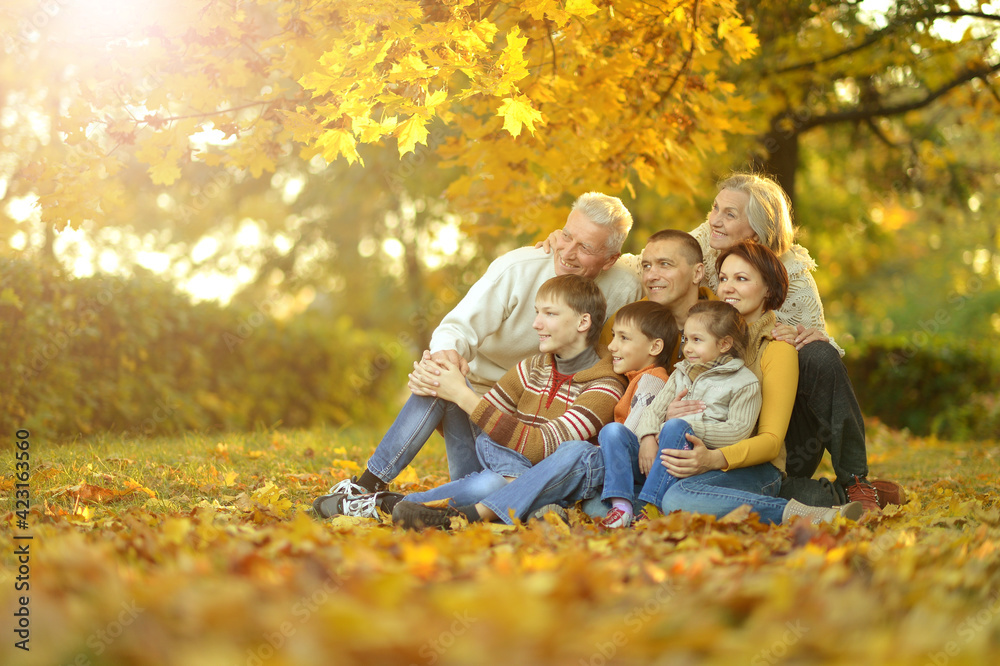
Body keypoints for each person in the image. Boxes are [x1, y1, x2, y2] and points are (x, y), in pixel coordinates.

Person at [312, 193, 643, 518]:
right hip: (483, 400)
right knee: (443, 372)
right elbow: (456, 329)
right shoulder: (517, 271)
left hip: (531, 432)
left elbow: (662, 275)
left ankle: (395, 504)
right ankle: (366, 486)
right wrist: (447, 368)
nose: (568, 252)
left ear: (611, 259)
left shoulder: (623, 290)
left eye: (584, 247)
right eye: (566, 236)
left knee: (495, 483)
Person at [385, 275, 627, 530]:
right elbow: (479, 430)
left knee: (505, 477)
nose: (536, 323)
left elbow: (541, 447)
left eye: (549, 313)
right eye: (536, 313)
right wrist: (443, 387)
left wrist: (461, 395)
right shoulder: (531, 367)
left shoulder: (605, 386)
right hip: (497, 468)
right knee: (441, 377)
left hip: (543, 482)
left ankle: (415, 507)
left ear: (583, 322)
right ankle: (371, 483)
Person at [656, 240, 862, 524]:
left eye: (741, 279)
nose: (728, 287)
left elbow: (771, 443)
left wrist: (712, 460)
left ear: (768, 289)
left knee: (678, 499)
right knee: (666, 492)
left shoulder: (777, 347)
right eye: (724, 278)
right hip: (699, 457)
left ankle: (817, 508)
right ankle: (819, 501)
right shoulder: (702, 341)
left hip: (753, 465)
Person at [601, 300, 761, 528]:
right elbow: (654, 411)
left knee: (676, 427)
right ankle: (622, 505)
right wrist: (647, 437)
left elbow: (738, 432)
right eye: (686, 339)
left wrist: (687, 424)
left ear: (725, 344)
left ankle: (650, 507)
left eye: (697, 340)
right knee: (613, 431)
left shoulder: (744, 382)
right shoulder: (680, 374)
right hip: (655, 455)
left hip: (692, 462)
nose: (687, 348)